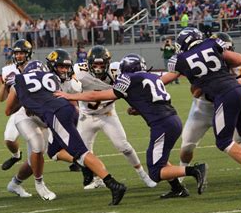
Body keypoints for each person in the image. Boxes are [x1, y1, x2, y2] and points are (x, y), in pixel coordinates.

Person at [55, 53, 208, 199]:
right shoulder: (150, 76)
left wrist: (70, 96)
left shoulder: (128, 79)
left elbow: (96, 95)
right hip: (171, 119)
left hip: (163, 124)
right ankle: (177, 188)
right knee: (157, 158)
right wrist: (138, 109)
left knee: (155, 172)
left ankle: (194, 170)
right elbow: (151, 97)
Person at [165, 27, 241, 188]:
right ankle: (181, 174)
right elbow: (195, 92)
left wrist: (218, 79)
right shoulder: (212, 50)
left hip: (225, 100)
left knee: (239, 140)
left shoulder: (205, 57)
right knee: (188, 145)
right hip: (204, 107)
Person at [6, 60, 126, 206]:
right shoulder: (52, 78)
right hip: (65, 111)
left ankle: (112, 184)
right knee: (54, 151)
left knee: (79, 152)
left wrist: (25, 100)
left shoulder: (20, 80)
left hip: (54, 115)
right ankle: (86, 169)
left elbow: (8, 110)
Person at [72, 45, 156, 189]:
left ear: (108, 63)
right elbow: (70, 81)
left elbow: (134, 82)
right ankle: (98, 178)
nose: (98, 67)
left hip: (107, 114)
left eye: (101, 64)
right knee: (83, 152)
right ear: (88, 64)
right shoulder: (79, 70)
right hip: (86, 116)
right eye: (95, 64)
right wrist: (74, 84)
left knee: (124, 146)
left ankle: (143, 175)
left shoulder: (117, 69)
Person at [0, 39, 32, 171]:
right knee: (9, 139)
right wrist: (4, 84)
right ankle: (16, 155)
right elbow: (1, 99)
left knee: (53, 139)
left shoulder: (35, 67)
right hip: (19, 109)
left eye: (22, 53)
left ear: (28, 54)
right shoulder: (8, 70)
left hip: (37, 108)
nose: (18, 56)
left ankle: (74, 160)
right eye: (17, 53)